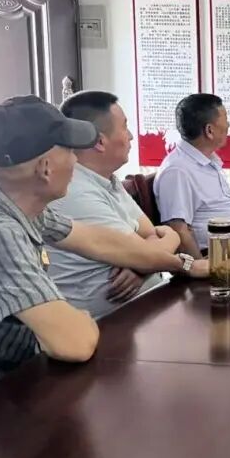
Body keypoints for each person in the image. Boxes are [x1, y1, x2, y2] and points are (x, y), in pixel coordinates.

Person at [0, 96, 207, 437]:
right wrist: (77, 314)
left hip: (0, 389)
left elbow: (100, 241)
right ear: (45, 168)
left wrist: (183, 263)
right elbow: (75, 343)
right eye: (69, 151)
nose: (76, 161)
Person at [50, 91, 172, 317]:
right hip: (108, 325)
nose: (131, 136)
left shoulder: (107, 180)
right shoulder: (75, 190)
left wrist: (143, 265)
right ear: (99, 142)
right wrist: (153, 255)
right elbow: (149, 252)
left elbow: (150, 237)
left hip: (146, 307)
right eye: (125, 127)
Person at [154, 94, 230, 258]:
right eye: (225, 119)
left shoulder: (207, 160)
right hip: (218, 253)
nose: (228, 125)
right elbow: (179, 231)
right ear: (209, 130)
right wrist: (203, 268)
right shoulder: (177, 170)